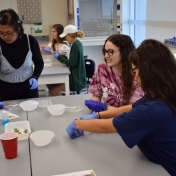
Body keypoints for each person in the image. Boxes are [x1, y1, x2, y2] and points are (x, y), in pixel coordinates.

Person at [66, 39, 176, 175]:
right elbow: (131, 108)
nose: (135, 78)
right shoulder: (162, 93)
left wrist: (78, 124)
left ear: (146, 68)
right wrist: (98, 115)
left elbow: (106, 127)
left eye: (135, 72)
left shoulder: (153, 111)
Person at [84, 34, 144, 112]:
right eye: (105, 51)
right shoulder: (102, 69)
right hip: (107, 117)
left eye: (110, 52)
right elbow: (96, 95)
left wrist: (105, 107)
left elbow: (132, 111)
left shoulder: (137, 75)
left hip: (128, 121)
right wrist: (95, 107)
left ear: (124, 52)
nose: (106, 55)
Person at [0, 9, 44, 101]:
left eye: (9, 33)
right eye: (1, 33)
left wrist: (35, 77)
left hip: (29, 90)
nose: (5, 37)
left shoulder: (30, 41)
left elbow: (39, 62)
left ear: (18, 27)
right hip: (5, 92)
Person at [52, 24, 86, 94]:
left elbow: (71, 63)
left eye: (65, 36)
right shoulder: (77, 43)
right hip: (77, 77)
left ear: (70, 35)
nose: (65, 38)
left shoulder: (75, 45)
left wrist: (58, 57)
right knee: (52, 85)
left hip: (75, 80)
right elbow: (72, 60)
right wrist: (61, 56)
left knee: (52, 91)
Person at [41, 24, 70, 96]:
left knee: (52, 91)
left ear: (59, 33)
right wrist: (41, 49)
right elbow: (44, 49)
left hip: (64, 72)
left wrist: (50, 51)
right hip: (56, 69)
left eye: (54, 31)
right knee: (48, 82)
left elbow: (61, 55)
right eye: (52, 31)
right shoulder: (53, 43)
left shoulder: (65, 44)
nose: (52, 33)